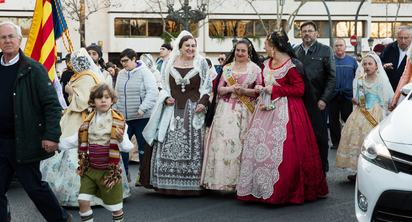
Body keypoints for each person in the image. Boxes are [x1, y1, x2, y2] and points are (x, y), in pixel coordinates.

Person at [0, 21, 71, 221]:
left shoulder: (34, 69)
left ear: (20, 40)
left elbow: (52, 105)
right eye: (3, 37)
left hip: (24, 141)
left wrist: (51, 135)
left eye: (11, 36)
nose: (8, 40)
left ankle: (62, 219)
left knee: (34, 188)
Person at [237, 30, 328, 204]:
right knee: (260, 147)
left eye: (265, 44)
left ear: (274, 47)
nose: (263, 46)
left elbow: (299, 90)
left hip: (289, 111)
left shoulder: (292, 64)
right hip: (264, 109)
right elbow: (264, 84)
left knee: (286, 149)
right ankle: (259, 188)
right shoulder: (266, 63)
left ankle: (284, 191)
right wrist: (259, 88)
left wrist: (276, 90)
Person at [41, 48, 131, 206]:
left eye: (73, 62)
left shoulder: (88, 77)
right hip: (75, 117)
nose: (72, 65)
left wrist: (70, 91)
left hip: (81, 118)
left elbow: (84, 101)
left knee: (77, 148)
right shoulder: (81, 76)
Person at [140, 30, 212, 195]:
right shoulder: (169, 62)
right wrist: (165, 98)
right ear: (180, 46)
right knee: (167, 143)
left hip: (193, 110)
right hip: (172, 110)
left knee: (191, 145)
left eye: (193, 46)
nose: (191, 48)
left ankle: (192, 184)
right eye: (187, 45)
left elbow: (206, 87)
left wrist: (202, 103)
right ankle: (167, 183)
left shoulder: (200, 62)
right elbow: (163, 86)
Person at [201, 38, 262, 191]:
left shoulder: (255, 69)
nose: (240, 53)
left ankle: (241, 182)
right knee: (223, 144)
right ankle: (220, 181)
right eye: (237, 50)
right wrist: (230, 89)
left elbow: (259, 91)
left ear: (249, 53)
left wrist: (244, 91)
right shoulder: (227, 67)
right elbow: (219, 90)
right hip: (226, 111)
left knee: (242, 145)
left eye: (243, 51)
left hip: (246, 112)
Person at [335, 53, 393, 181]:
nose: (367, 66)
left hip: (377, 112)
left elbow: (388, 98)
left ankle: (376, 172)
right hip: (361, 112)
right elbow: (358, 97)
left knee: (373, 143)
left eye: (370, 64)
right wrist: (355, 101)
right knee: (357, 139)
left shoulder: (382, 80)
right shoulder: (360, 80)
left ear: (376, 66)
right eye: (364, 64)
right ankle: (359, 172)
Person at [76, 83, 129, 222]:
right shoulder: (87, 121)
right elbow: (75, 140)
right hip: (90, 169)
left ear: (112, 100)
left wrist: (121, 140)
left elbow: (127, 147)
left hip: (109, 171)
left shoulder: (119, 122)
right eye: (99, 98)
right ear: (93, 102)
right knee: (82, 201)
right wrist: (56, 144)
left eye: (107, 97)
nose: (103, 100)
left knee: (115, 208)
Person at [293, 20, 336, 173]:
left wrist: (324, 99)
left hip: (318, 101)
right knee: (300, 135)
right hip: (298, 101)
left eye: (310, 31)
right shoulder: (295, 51)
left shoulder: (325, 50)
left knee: (320, 136)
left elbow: (332, 77)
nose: (307, 33)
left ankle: (321, 168)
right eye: (304, 31)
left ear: (316, 33)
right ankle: (304, 168)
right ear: (300, 34)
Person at [114, 48, 158, 186]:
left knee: (142, 148)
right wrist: (114, 111)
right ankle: (124, 174)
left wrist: (142, 108)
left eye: (126, 61)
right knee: (123, 147)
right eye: (121, 61)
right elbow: (116, 94)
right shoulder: (121, 74)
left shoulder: (145, 72)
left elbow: (152, 93)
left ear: (134, 59)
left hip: (141, 117)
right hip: (124, 118)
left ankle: (142, 175)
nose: (123, 64)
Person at [329, 39, 358, 149]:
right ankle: (336, 142)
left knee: (348, 119)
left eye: (341, 45)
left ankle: (349, 140)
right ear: (334, 47)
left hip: (348, 95)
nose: (339, 47)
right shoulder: (330, 60)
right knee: (333, 120)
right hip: (333, 94)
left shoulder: (352, 61)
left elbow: (358, 77)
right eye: (336, 46)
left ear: (346, 47)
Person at [380, 26, 412, 92]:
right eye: (400, 38)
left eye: (406, 38)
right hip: (389, 89)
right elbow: (378, 62)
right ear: (396, 37)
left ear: (411, 37)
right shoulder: (390, 47)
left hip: (407, 90)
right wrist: (384, 65)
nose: (403, 41)